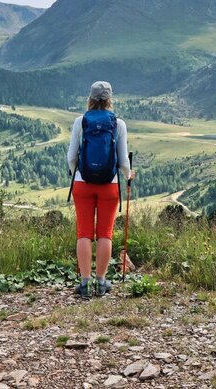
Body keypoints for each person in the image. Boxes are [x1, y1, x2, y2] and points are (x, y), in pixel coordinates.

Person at [67, 80, 134, 298]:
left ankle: (85, 284)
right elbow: (123, 161)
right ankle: (101, 282)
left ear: (90, 98)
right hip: (109, 185)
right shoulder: (118, 124)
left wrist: (76, 173)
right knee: (105, 233)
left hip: (82, 183)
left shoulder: (80, 121)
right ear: (109, 99)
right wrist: (128, 175)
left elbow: (71, 157)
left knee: (84, 233)